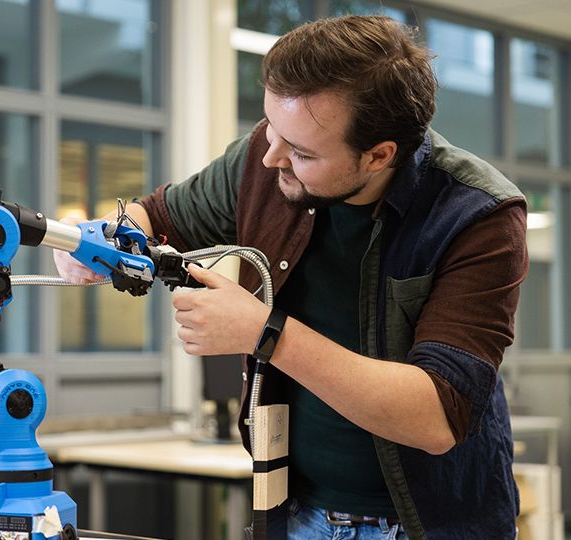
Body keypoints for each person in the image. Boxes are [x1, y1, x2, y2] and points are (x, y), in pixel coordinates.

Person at [55, 15, 527, 540]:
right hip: (294, 513)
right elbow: (158, 216)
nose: (270, 156)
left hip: (430, 526)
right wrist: (91, 240)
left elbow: (436, 416)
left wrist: (264, 333)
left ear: (378, 156)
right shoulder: (264, 158)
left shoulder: (478, 215)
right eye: (271, 129)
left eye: (301, 152)